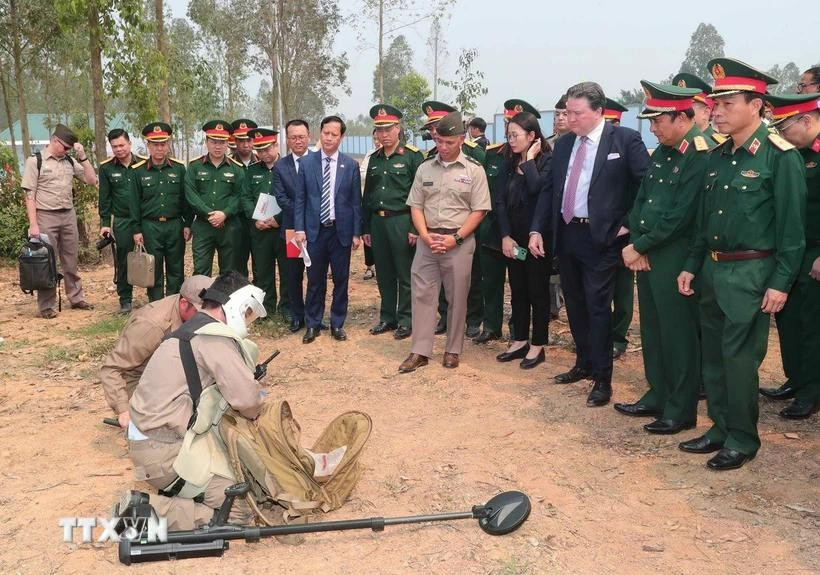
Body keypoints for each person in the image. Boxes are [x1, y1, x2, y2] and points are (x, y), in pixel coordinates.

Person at [676, 58, 806, 470]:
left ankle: (742, 438)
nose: (717, 111)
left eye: (728, 102)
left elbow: (792, 231)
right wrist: (692, 265)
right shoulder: (718, 155)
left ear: (757, 105)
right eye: (716, 104)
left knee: (739, 360)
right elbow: (704, 221)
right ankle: (719, 426)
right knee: (712, 355)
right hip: (714, 269)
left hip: (752, 272)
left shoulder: (778, 156)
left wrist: (781, 282)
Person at [528, 82, 649, 407]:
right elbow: (550, 188)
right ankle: (582, 362)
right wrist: (538, 229)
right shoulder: (566, 144)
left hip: (603, 239)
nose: (569, 118)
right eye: (567, 111)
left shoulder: (623, 140)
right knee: (576, 306)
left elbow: (647, 185)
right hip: (567, 235)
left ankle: (602, 378)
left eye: (576, 113)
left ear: (599, 112)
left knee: (598, 308)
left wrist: (629, 223)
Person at [127, 271, 265, 529]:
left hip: (153, 442)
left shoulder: (192, 329)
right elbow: (248, 401)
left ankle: (181, 494)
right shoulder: (214, 337)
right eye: (247, 312)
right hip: (165, 453)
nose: (248, 320)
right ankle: (148, 511)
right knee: (242, 508)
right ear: (233, 307)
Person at [614, 81, 711, 435]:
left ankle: (681, 408)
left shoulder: (699, 155)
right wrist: (637, 241)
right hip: (648, 254)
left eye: (658, 121)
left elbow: (681, 215)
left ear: (681, 118)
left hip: (674, 256)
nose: (652, 129)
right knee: (653, 331)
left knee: (678, 335)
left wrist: (640, 246)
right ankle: (658, 393)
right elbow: (642, 202)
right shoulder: (663, 154)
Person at [399, 111, 491, 373]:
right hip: (428, 240)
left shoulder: (474, 170)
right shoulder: (425, 167)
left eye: (449, 142)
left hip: (458, 242)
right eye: (438, 141)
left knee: (457, 298)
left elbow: (479, 210)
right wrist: (425, 235)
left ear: (461, 139)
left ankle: (452, 349)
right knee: (422, 296)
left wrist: (456, 238)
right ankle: (420, 350)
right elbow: (416, 205)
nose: (442, 147)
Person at [759, 92, 820, 419]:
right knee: (789, 320)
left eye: (784, 127)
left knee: (811, 325)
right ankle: (795, 379)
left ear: (806, 120)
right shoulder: (791, 154)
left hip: (815, 253)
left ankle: (811, 392)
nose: (780, 134)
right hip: (790, 250)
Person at [100, 275, 213, 428]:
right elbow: (112, 368)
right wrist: (123, 409)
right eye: (201, 312)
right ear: (184, 304)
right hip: (140, 379)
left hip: (168, 369)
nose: (208, 317)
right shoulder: (151, 325)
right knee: (177, 417)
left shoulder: (190, 308)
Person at [475, 99, 541, 343]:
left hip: (522, 233)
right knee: (490, 281)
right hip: (494, 229)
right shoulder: (493, 155)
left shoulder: (541, 158)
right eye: (506, 127)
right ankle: (491, 326)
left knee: (521, 285)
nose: (509, 135)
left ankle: (518, 330)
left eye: (514, 130)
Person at [293, 115, 362, 343]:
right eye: (325, 133)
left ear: (341, 137)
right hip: (314, 232)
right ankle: (312, 323)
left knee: (341, 280)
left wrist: (355, 232)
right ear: (320, 133)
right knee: (315, 280)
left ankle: (337, 323)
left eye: (334, 134)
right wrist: (299, 229)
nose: (329, 138)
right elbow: (300, 199)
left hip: (340, 232)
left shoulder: (350, 165)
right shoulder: (307, 163)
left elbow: (355, 202)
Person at [422, 101, 486, 337]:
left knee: (471, 275)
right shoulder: (430, 157)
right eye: (431, 129)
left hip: (468, 227)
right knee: (441, 275)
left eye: (438, 127)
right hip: (438, 228)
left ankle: (472, 317)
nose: (434, 134)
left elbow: (482, 198)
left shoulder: (475, 154)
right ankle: (445, 316)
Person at [22, 123, 98, 318]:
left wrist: (83, 156)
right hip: (45, 215)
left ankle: (76, 297)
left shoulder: (70, 161)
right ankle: (47, 306)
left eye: (69, 149)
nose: (66, 151)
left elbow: (91, 180)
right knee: (47, 261)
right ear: (55, 141)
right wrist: (33, 224)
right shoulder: (35, 161)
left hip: (68, 215)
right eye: (64, 147)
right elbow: (30, 195)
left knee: (71, 259)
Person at [494, 112, 552, 369]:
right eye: (508, 135)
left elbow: (537, 189)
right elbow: (500, 202)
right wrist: (505, 236)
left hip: (537, 239)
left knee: (537, 292)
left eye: (515, 135)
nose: (511, 140)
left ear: (532, 136)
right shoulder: (507, 162)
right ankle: (519, 340)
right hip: (513, 240)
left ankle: (538, 344)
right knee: (517, 290)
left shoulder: (547, 161)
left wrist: (529, 161)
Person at [362, 104, 424, 340]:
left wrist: (414, 228)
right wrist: (366, 227)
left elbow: (420, 195)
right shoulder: (375, 159)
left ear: (398, 128)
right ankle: (388, 317)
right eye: (379, 130)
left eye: (388, 128)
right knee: (384, 273)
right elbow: (367, 195)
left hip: (402, 221)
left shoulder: (412, 157)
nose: (383, 134)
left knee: (405, 273)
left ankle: (407, 320)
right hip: (378, 223)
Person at [131, 122, 191, 301]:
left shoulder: (179, 169)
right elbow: (134, 203)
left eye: (163, 144)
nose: (159, 148)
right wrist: (136, 230)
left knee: (176, 268)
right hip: (150, 226)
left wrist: (187, 224)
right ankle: (156, 305)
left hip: (174, 225)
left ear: (168, 145)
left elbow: (185, 200)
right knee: (153, 268)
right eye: (155, 144)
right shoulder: (138, 172)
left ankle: (173, 304)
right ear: (148, 146)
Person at [185, 120, 246, 277]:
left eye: (222, 142)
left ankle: (224, 302)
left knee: (228, 272)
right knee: (201, 270)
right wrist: (210, 214)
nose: (218, 146)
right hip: (203, 226)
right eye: (214, 142)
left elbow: (240, 196)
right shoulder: (194, 167)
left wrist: (224, 214)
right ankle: (200, 302)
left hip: (229, 227)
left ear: (227, 143)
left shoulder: (237, 169)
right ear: (206, 142)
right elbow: (191, 195)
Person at [602, 97, 636, 359]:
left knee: (622, 291)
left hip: (622, 233)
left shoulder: (628, 144)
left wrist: (627, 224)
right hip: (598, 232)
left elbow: (641, 191)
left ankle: (618, 338)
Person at [242, 128, 289, 319]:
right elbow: (245, 197)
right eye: (260, 151)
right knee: (262, 271)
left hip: (284, 229)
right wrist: (256, 219)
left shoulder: (288, 167)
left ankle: (287, 309)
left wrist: (277, 220)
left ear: (276, 146)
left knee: (288, 270)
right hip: (260, 230)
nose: (264, 154)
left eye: (267, 149)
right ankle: (266, 309)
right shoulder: (252, 171)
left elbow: (296, 199)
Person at [273, 119, 313, 332]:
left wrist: (311, 219)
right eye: (293, 137)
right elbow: (281, 198)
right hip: (291, 231)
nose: (298, 141)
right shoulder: (281, 166)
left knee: (315, 275)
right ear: (287, 140)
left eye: (301, 137)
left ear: (309, 137)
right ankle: (297, 315)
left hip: (316, 229)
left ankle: (313, 316)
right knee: (293, 275)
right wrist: (302, 218)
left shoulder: (318, 161)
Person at [99, 129, 144, 313]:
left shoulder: (143, 163)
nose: (119, 149)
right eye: (114, 146)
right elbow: (105, 198)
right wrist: (105, 222)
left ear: (130, 144)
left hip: (145, 219)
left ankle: (154, 295)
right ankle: (125, 299)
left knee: (150, 257)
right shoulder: (107, 168)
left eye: (122, 145)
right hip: (123, 221)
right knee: (124, 260)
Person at [230, 119, 259, 278]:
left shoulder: (262, 161)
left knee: (261, 263)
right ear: (235, 141)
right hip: (237, 221)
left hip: (259, 221)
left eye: (249, 140)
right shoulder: (229, 163)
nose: (246, 144)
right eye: (241, 140)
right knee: (238, 265)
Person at [672, 72, 726, 146]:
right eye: (679, 107)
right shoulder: (673, 142)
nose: (680, 112)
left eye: (688, 107)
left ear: (706, 112)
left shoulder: (718, 146)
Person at [359, 129, 380, 281]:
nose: (377, 140)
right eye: (374, 138)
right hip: (371, 202)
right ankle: (369, 266)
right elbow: (362, 173)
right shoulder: (371, 155)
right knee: (368, 236)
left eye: (378, 137)